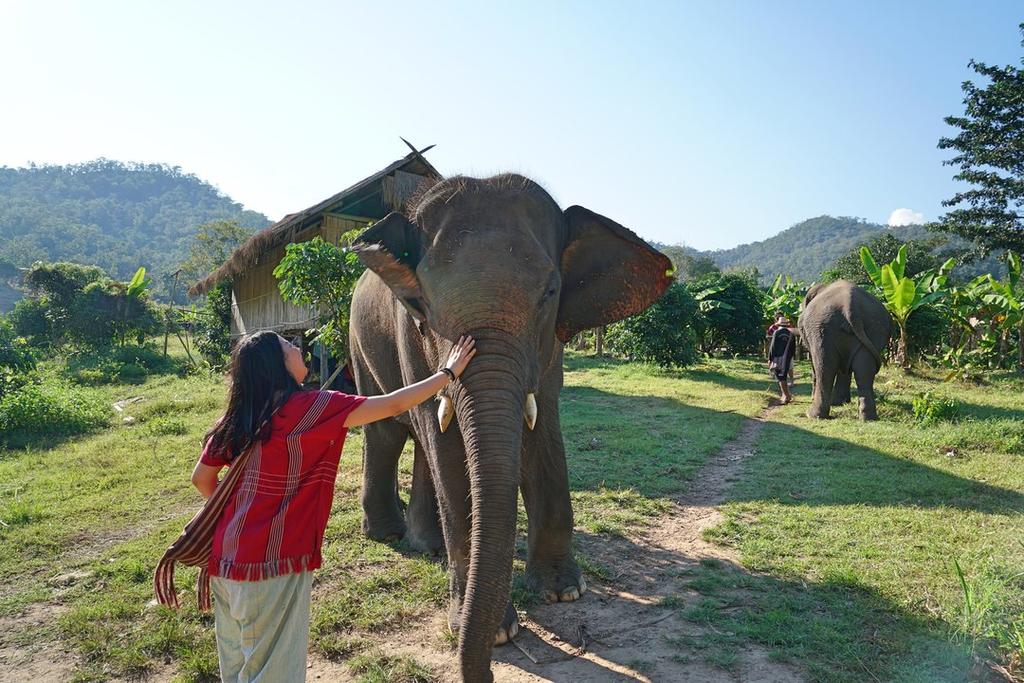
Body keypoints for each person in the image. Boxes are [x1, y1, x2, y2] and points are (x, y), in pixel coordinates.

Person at [181, 330, 475, 682]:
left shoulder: (238, 416)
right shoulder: (313, 409)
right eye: (289, 347)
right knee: (273, 675)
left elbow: (201, 478)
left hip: (225, 560)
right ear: (278, 365)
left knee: (240, 669)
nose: (298, 348)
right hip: (271, 565)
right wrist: (448, 373)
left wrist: (238, 514)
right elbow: (394, 404)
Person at [767, 316, 797, 404]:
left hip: (778, 357)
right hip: (787, 358)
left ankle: (786, 396)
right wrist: (791, 357)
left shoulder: (776, 333)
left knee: (780, 377)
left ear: (779, 324)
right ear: (787, 325)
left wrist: (770, 359)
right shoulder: (791, 334)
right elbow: (793, 348)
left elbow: (773, 347)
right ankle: (786, 395)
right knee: (783, 375)